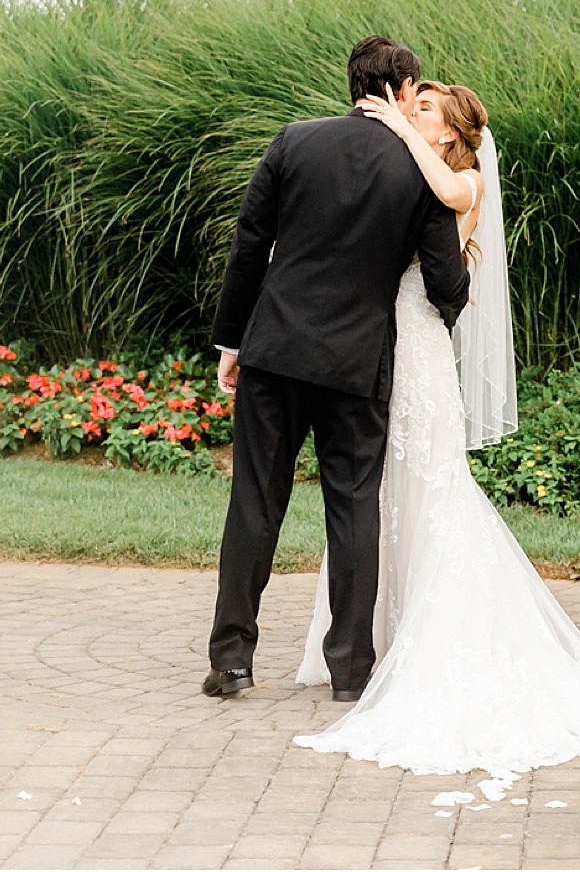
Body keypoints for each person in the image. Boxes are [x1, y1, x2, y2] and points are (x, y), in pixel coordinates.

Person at [293, 79, 580, 777]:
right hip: (376, 343)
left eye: (424, 108)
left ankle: (435, 638)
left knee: (432, 486)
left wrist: (401, 134)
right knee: (375, 492)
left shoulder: (463, 182)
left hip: (419, 349)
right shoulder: (413, 171)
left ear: (450, 134)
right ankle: (368, 637)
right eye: (414, 104)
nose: (411, 112)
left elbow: (438, 197)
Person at [203, 37, 470, 703]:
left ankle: (231, 661)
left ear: (352, 82)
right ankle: (351, 671)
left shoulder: (293, 142)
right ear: (404, 89)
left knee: (254, 503)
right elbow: (444, 283)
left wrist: (231, 343)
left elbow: (248, 244)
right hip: (358, 363)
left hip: (274, 351)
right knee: (352, 510)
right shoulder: (418, 168)